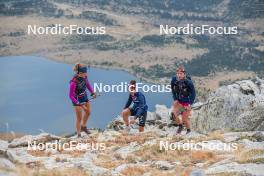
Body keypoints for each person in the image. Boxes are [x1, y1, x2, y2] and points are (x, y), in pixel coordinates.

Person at [69, 63, 96, 137]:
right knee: (79, 118)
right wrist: (79, 104)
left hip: (84, 96)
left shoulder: (85, 77)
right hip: (76, 100)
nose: (86, 74)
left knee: (88, 112)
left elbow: (87, 84)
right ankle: (79, 134)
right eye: (84, 73)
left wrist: (92, 93)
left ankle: (83, 127)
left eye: (86, 72)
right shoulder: (73, 82)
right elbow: (71, 96)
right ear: (79, 73)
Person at [171, 66, 196, 134]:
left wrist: (189, 104)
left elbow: (193, 94)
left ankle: (188, 131)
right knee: (173, 115)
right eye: (178, 73)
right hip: (179, 101)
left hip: (186, 102)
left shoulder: (189, 82)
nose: (179, 75)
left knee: (184, 118)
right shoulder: (174, 79)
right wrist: (175, 99)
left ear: (184, 74)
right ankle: (180, 126)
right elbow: (173, 89)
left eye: (181, 73)